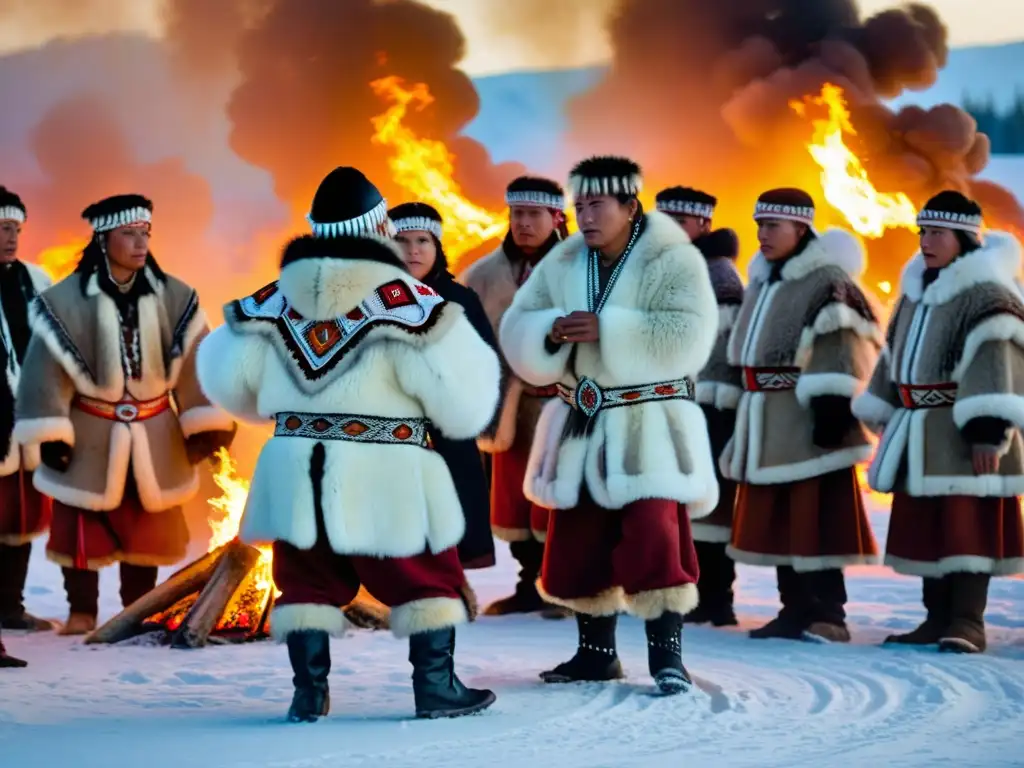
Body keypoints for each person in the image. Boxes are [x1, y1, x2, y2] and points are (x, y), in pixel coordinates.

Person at [196, 167, 501, 721]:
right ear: (379, 226)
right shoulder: (413, 303)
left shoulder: (270, 301)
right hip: (387, 469)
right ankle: (435, 690)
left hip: (294, 464)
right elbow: (464, 402)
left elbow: (226, 382)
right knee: (426, 576)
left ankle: (308, 695)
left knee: (307, 582)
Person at [500, 156, 720, 693]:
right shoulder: (564, 261)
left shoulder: (673, 259)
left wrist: (609, 328)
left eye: (597, 205)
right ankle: (595, 654)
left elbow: (690, 334)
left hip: (649, 425)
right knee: (581, 543)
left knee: (655, 539)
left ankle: (668, 659)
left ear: (630, 206)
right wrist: (550, 331)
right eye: (578, 207)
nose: (585, 217)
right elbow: (517, 324)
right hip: (581, 421)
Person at [13, 194, 237, 635]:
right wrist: (51, 430)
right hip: (88, 429)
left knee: (147, 528)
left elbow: (198, 361)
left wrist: (203, 424)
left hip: (156, 429)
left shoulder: (177, 296)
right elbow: (43, 370)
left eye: (145, 234)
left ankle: (137, 609)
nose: (139, 243)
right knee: (82, 525)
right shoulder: (64, 300)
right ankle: (82, 611)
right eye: (128, 234)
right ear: (102, 239)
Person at [852, 191, 1024, 654]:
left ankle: (967, 621)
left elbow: (998, 359)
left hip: (965, 431)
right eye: (922, 232)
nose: (926, 241)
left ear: (965, 239)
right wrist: (884, 411)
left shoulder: (988, 295)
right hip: (919, 430)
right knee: (930, 526)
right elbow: (892, 358)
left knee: (967, 526)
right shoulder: (915, 293)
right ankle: (935, 618)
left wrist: (988, 430)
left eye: (937, 233)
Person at [720, 188, 881, 643]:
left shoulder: (828, 280)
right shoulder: (766, 279)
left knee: (818, 518)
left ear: (801, 227)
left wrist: (831, 407)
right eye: (759, 225)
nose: (762, 235)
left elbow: (845, 346)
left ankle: (829, 613)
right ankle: (794, 608)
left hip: (809, 421)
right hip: (766, 420)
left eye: (773, 226)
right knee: (780, 521)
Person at [459, 175, 571, 619]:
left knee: (563, 500)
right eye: (517, 214)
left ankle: (566, 586)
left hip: (564, 404)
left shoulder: (583, 269)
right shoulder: (484, 275)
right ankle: (530, 584)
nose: (523, 223)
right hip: (508, 408)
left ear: (556, 217)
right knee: (515, 501)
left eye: (534, 214)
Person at [391, 201, 496, 578]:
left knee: (449, 507)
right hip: (388, 425)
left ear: (437, 247)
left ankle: (447, 585)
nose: (413, 250)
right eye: (401, 241)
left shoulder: (460, 299)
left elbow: (485, 361)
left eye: (422, 240)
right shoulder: (369, 298)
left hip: (445, 425)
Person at [0, 187, 54, 631]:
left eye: (16, 228)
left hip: (25, 419)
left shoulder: (37, 281)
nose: (11, 236)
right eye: (2, 228)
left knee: (18, 520)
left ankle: (9, 608)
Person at [687, 227, 744, 627]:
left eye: (681, 217)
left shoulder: (719, 275)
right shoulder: (670, 266)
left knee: (714, 506)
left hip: (711, 406)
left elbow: (726, 352)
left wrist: (720, 407)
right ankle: (690, 592)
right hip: (676, 404)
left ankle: (716, 598)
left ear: (702, 224)